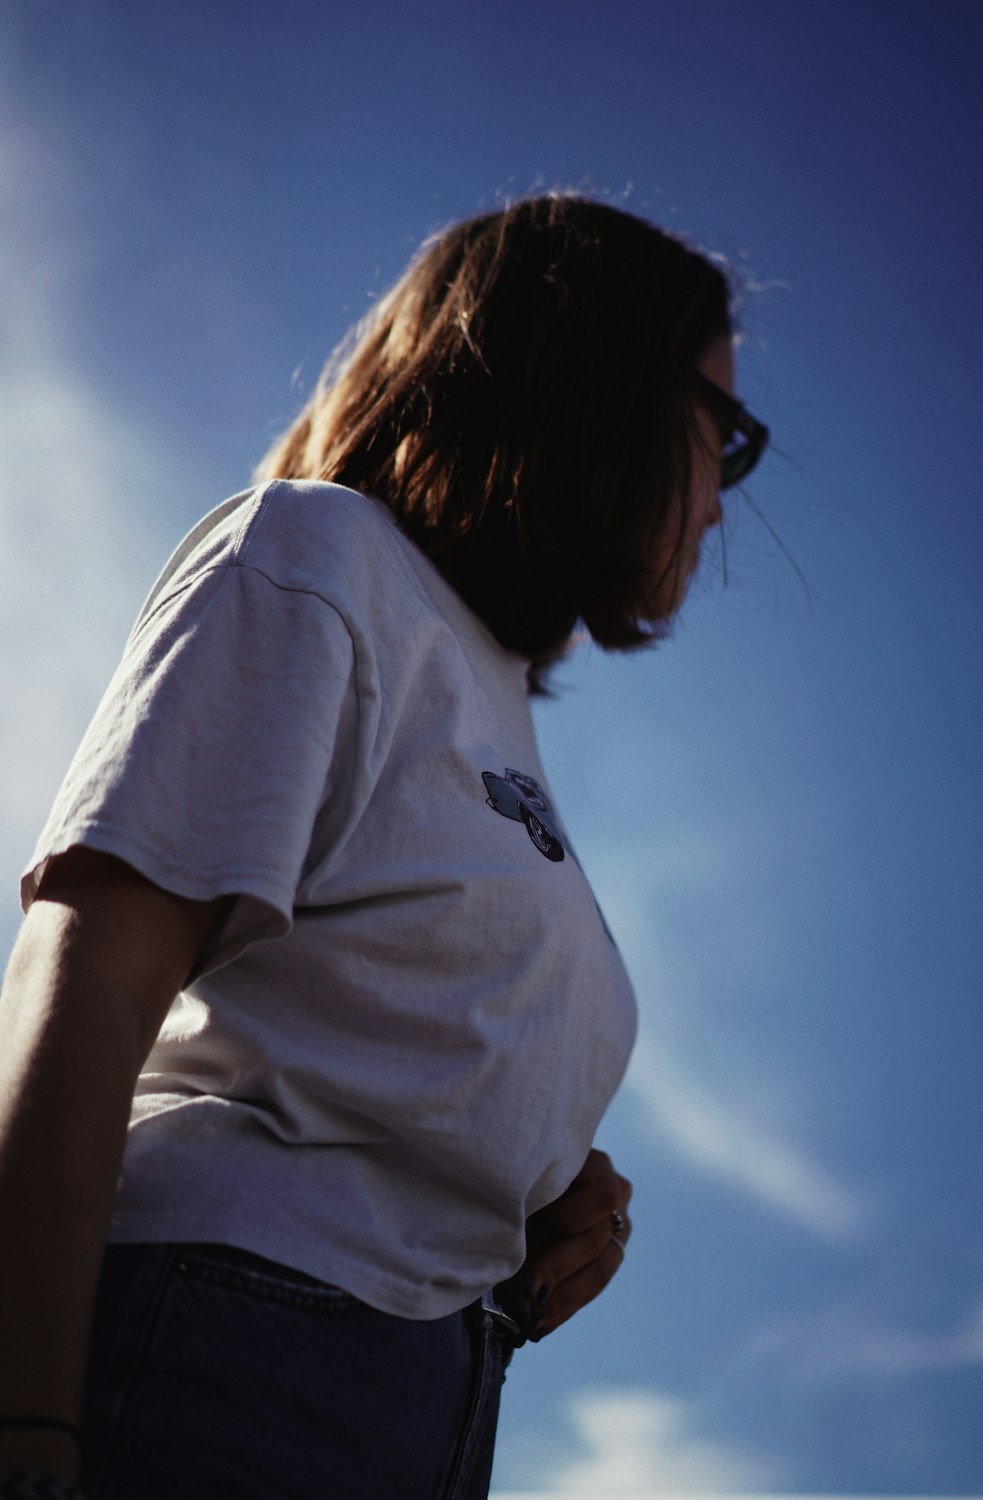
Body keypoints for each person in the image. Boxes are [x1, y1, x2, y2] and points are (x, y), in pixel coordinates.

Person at [0, 193, 768, 1500]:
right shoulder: (314, 557)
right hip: (222, 1355)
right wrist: (23, 1429)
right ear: (601, 389)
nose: (722, 499)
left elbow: (355, 1015)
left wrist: (528, 1163)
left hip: (421, 1401)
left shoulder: (490, 692)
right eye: (725, 432)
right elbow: (85, 985)